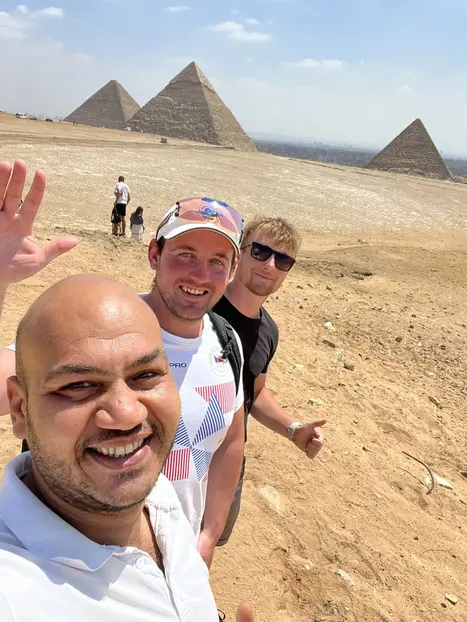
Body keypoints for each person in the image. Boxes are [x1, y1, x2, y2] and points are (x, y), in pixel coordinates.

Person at [0, 164, 245, 570]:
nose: (201, 274)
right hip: (74, 566)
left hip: (175, 557)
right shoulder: (103, 325)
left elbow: (230, 441)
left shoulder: (226, 340)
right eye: (185, 254)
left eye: (218, 261)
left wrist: (207, 536)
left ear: (232, 271)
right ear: (154, 254)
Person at [213, 217, 326, 545]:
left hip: (227, 463)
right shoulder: (201, 306)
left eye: (283, 260)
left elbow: (254, 392)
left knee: (204, 550)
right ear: (239, 252)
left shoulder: (268, 331)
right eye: (260, 251)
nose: (270, 265)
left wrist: (292, 429)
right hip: (176, 455)